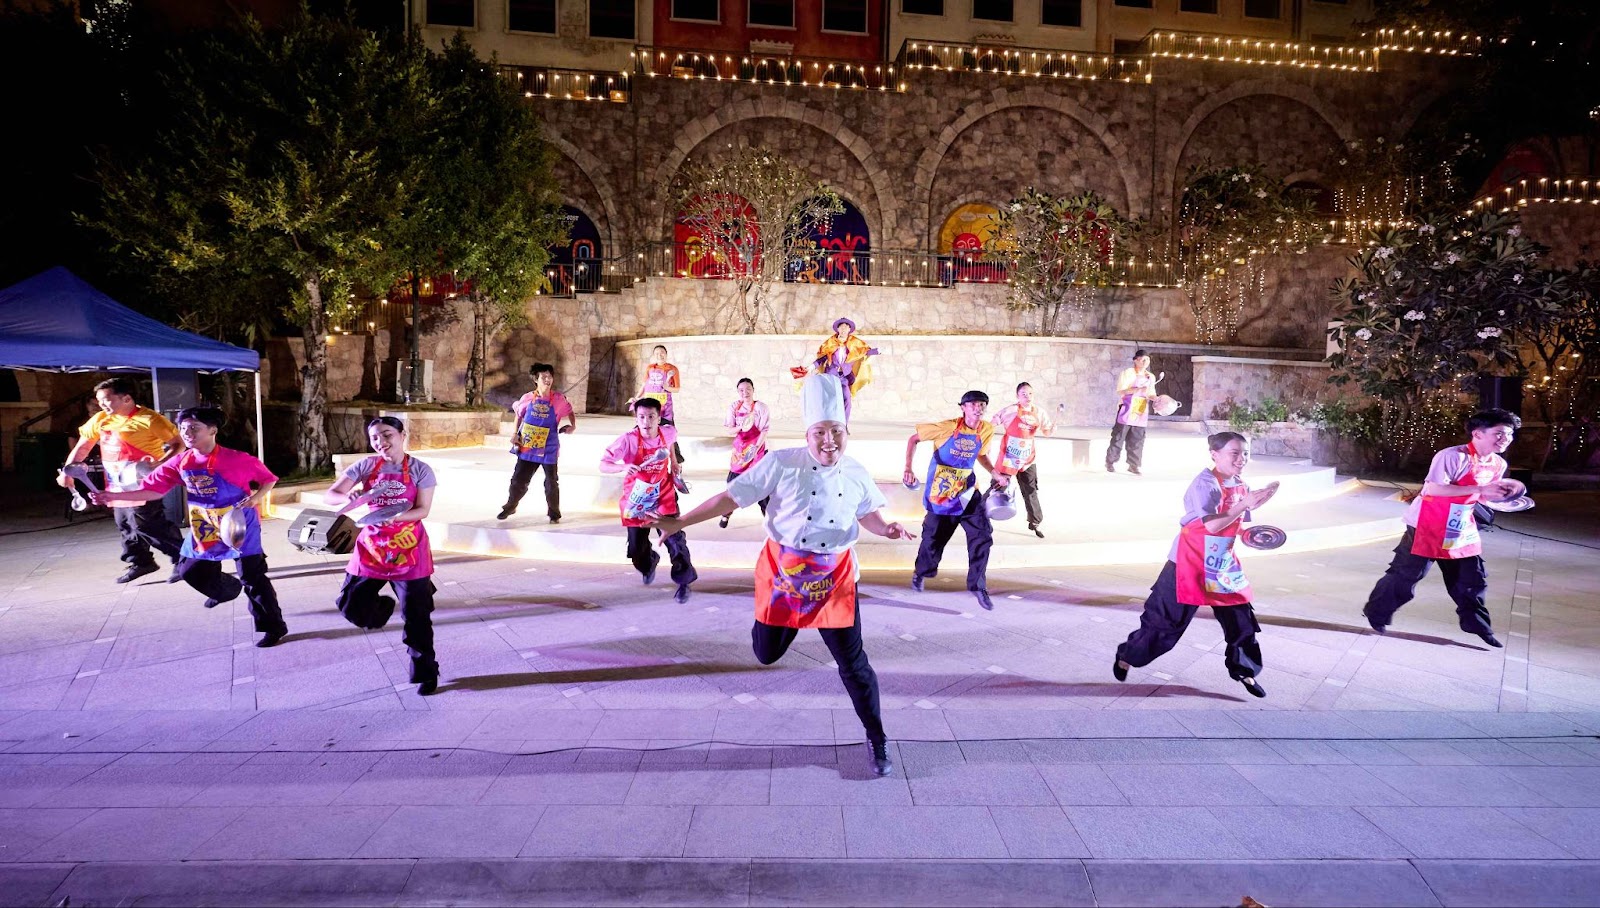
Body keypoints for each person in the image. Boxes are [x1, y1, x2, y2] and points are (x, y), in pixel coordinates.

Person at [650, 374, 914, 777]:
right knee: (766, 653)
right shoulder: (780, 463)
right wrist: (679, 522)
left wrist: (887, 528)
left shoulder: (856, 470)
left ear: (847, 433)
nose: (830, 441)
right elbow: (730, 497)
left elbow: (867, 514)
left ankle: (876, 736)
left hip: (834, 578)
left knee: (854, 664)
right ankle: (779, 621)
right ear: (808, 434)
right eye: (821, 432)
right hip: (785, 577)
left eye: (837, 432)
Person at [90, 406, 288, 648]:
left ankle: (273, 627)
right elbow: (152, 491)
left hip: (238, 524)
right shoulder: (181, 462)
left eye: (194, 428)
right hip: (204, 524)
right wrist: (113, 498)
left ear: (212, 430)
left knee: (252, 577)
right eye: (183, 429)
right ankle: (226, 590)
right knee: (189, 571)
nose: (187, 433)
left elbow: (269, 479)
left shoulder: (236, 459)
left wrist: (257, 497)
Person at [1111, 431, 1275, 697]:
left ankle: (1244, 671)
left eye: (1244, 453)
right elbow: (1211, 524)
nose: (1241, 459)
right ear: (1214, 454)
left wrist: (1252, 535)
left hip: (1221, 562)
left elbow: (1237, 524)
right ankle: (1127, 655)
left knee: (1241, 620)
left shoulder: (1241, 485)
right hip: (1187, 561)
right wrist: (1243, 504)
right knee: (1164, 624)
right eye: (1234, 453)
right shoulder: (1205, 484)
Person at [1361, 408, 1523, 648]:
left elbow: (1484, 497)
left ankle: (1478, 626)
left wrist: (1505, 497)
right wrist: (1480, 491)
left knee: (1471, 578)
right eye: (1499, 433)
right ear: (1478, 433)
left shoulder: (1498, 464)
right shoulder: (1452, 456)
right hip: (1427, 523)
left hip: (1459, 525)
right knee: (1408, 575)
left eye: (1509, 435)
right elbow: (1434, 489)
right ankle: (1377, 612)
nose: (1505, 439)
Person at [323, 416, 443, 694]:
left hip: (408, 548)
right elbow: (331, 495)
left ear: (402, 435)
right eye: (375, 437)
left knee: (417, 618)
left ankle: (426, 672)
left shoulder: (420, 469)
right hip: (372, 547)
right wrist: (348, 498)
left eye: (387, 435)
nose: (381, 442)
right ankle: (384, 608)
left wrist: (397, 517)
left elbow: (423, 509)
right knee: (349, 604)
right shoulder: (365, 466)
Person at [59, 377, 185, 584]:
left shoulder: (150, 419)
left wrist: (159, 464)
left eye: (106, 400)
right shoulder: (100, 419)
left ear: (126, 398)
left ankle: (183, 559)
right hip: (115, 483)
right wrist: (67, 472)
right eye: (99, 401)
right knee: (125, 523)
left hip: (143, 483)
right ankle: (141, 561)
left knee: (148, 524)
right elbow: (82, 447)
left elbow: (178, 444)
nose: (101, 405)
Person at [903, 390, 1005, 611]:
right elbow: (914, 439)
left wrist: (995, 473)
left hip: (968, 492)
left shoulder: (986, 429)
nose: (979, 408)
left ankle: (978, 586)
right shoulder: (947, 427)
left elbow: (981, 454)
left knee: (982, 535)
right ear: (964, 407)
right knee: (933, 539)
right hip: (942, 492)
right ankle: (922, 572)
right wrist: (908, 468)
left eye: (982, 405)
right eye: (974, 404)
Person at [599, 397, 697, 602]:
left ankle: (683, 581)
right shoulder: (628, 440)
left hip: (663, 494)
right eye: (641, 416)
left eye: (651, 416)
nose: (646, 421)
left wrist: (674, 461)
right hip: (637, 499)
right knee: (636, 548)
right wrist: (623, 467)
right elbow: (604, 464)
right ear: (636, 417)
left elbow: (669, 444)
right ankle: (649, 562)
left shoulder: (668, 432)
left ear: (659, 418)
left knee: (675, 540)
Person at [498, 363, 575, 523]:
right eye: (543, 377)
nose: (547, 380)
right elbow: (518, 415)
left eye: (550, 376)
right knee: (519, 479)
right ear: (536, 379)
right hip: (528, 446)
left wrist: (572, 426)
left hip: (549, 447)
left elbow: (569, 410)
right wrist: (514, 434)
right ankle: (510, 506)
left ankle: (554, 514)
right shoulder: (527, 398)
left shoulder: (559, 399)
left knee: (551, 482)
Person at [990, 381, 1056, 538]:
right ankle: (983, 519)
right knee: (997, 487)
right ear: (1017, 396)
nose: (1028, 397)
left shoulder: (1039, 412)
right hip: (1009, 457)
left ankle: (1035, 522)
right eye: (1023, 394)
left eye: (1030, 394)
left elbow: (1047, 432)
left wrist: (1051, 430)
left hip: (1027, 459)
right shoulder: (1011, 411)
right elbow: (992, 423)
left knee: (1031, 491)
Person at [630, 345, 689, 493]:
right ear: (654, 355)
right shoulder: (650, 368)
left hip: (665, 408)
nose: (660, 355)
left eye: (662, 353)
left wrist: (666, 386)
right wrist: (637, 397)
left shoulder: (672, 369)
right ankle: (645, 464)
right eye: (657, 353)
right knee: (643, 432)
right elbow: (644, 385)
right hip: (650, 408)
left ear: (666, 354)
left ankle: (676, 465)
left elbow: (677, 388)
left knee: (670, 436)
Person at [720, 377, 771, 528]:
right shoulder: (734, 408)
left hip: (757, 451)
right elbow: (730, 430)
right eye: (741, 390)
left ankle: (769, 520)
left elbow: (764, 430)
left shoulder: (761, 407)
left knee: (764, 489)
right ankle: (726, 513)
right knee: (732, 485)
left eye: (748, 389)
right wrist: (741, 427)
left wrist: (755, 448)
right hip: (740, 454)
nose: (745, 392)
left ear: (753, 390)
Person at [811, 317, 878, 424]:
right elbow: (822, 358)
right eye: (841, 328)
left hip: (844, 376)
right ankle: (827, 423)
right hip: (831, 376)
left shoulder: (853, 343)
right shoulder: (830, 343)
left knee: (847, 400)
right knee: (831, 401)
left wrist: (877, 351)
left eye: (846, 328)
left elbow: (865, 351)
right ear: (837, 329)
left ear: (849, 330)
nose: (843, 330)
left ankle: (843, 425)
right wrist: (811, 367)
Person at [1107, 349, 1158, 475]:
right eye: (1143, 359)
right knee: (1119, 437)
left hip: (1141, 411)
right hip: (1127, 408)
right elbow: (1120, 391)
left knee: (1137, 439)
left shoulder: (1150, 377)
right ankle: (1110, 462)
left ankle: (1133, 465)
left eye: (1148, 359)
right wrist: (1135, 389)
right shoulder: (1127, 373)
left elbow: (1151, 393)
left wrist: (1156, 399)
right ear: (1136, 360)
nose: (1146, 362)